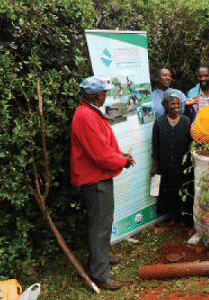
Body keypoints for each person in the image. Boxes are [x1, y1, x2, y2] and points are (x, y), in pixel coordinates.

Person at [70, 77, 135, 290]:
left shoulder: (89, 112)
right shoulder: (86, 116)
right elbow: (100, 155)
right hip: (95, 179)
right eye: (104, 92)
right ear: (97, 95)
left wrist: (119, 155)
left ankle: (100, 260)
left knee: (102, 223)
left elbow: (104, 146)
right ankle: (100, 274)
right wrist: (122, 161)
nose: (106, 95)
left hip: (98, 177)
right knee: (100, 226)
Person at [151, 91, 192, 225]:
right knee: (169, 191)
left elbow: (190, 142)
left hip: (182, 164)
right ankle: (173, 217)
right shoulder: (159, 122)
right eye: (173, 104)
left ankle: (183, 218)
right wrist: (154, 166)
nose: (176, 106)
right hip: (165, 164)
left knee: (182, 190)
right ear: (166, 105)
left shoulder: (186, 121)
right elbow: (155, 145)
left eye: (178, 104)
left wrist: (191, 159)